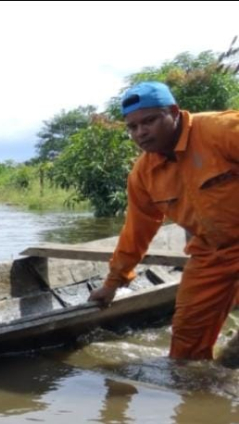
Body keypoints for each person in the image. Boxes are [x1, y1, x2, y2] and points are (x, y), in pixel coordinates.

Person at [89, 81, 239, 361]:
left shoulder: (221, 131)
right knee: (185, 346)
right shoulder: (144, 174)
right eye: (132, 127)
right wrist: (112, 284)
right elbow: (136, 232)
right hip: (210, 253)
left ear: (173, 112)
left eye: (149, 121)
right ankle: (198, 399)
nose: (140, 133)